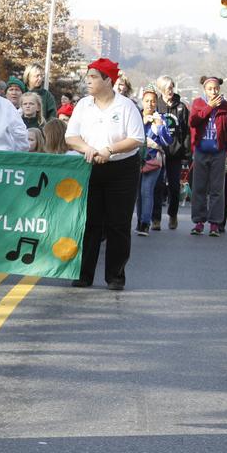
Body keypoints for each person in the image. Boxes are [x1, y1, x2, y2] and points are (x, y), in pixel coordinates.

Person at [65, 58, 145, 291]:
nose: (88, 81)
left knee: (118, 224)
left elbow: (136, 139)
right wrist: (88, 148)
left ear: (108, 80)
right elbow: (71, 136)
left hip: (122, 169)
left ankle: (115, 275)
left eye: (93, 77)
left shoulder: (125, 106)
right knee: (89, 222)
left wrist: (109, 150)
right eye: (87, 77)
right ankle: (83, 273)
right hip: (90, 165)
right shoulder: (83, 105)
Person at [188, 76, 227, 237]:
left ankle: (215, 223)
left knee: (217, 189)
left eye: (216, 88)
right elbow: (193, 121)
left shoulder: (226, 106)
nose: (213, 91)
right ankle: (199, 221)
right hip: (201, 150)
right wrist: (209, 107)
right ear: (204, 90)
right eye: (210, 89)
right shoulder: (198, 103)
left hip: (218, 152)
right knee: (199, 188)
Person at [153, 76, 191, 230]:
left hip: (175, 153)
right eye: (167, 88)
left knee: (174, 187)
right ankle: (155, 219)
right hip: (158, 152)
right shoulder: (157, 106)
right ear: (161, 89)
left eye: (171, 87)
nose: (170, 91)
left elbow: (187, 132)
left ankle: (173, 214)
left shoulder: (181, 107)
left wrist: (186, 154)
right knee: (157, 185)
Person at [135, 88, 173, 236]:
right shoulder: (136, 117)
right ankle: (139, 221)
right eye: (147, 101)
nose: (150, 104)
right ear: (142, 102)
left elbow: (167, 141)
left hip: (153, 160)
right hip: (136, 159)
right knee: (138, 193)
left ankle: (145, 223)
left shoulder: (161, 118)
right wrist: (142, 123)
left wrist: (160, 126)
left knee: (147, 190)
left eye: (153, 101)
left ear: (156, 103)